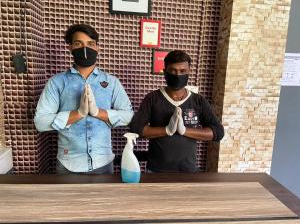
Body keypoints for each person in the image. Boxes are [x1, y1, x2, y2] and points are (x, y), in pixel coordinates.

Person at [34, 24, 133, 174]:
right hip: (68, 164)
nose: (85, 48)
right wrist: (78, 114)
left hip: (103, 163)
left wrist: (97, 112)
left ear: (97, 48)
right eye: (78, 43)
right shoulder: (57, 82)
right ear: (70, 48)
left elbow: (128, 115)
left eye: (90, 44)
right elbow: (40, 122)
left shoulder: (112, 82)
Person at [130, 50, 224, 172]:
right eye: (173, 71)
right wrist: (167, 130)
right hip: (156, 171)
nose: (178, 75)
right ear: (165, 72)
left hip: (188, 172)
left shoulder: (198, 101)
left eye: (182, 71)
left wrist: (184, 130)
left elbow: (218, 132)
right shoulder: (152, 98)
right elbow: (136, 129)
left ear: (189, 72)